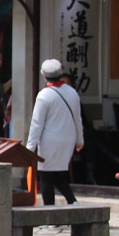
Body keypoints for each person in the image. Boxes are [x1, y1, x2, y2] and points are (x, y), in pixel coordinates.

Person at [26, 58, 84, 205]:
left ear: (44, 76)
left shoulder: (44, 95)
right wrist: (79, 140)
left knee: (46, 177)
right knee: (57, 174)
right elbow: (78, 119)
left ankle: (49, 212)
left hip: (49, 141)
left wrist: (29, 148)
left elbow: (36, 124)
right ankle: (72, 202)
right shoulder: (72, 93)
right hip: (68, 140)